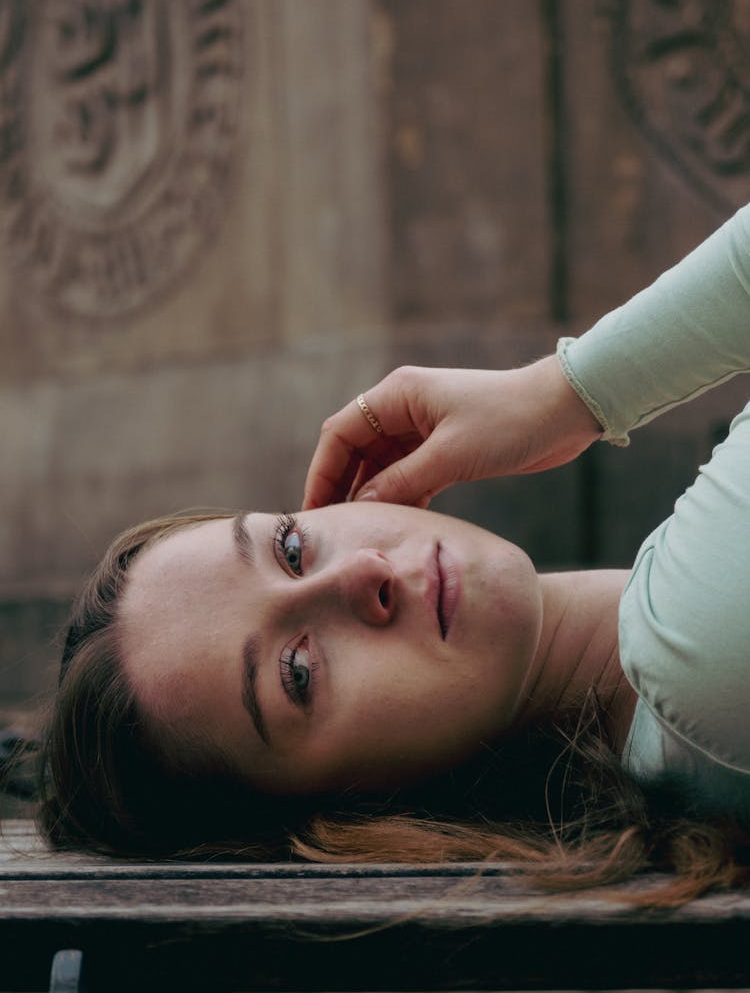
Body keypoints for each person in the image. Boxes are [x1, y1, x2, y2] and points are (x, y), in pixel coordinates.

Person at [39, 204, 750, 904]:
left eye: (291, 547)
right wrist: (571, 390)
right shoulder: (699, 649)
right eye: (298, 672)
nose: (363, 574)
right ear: (353, 811)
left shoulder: (690, 696)